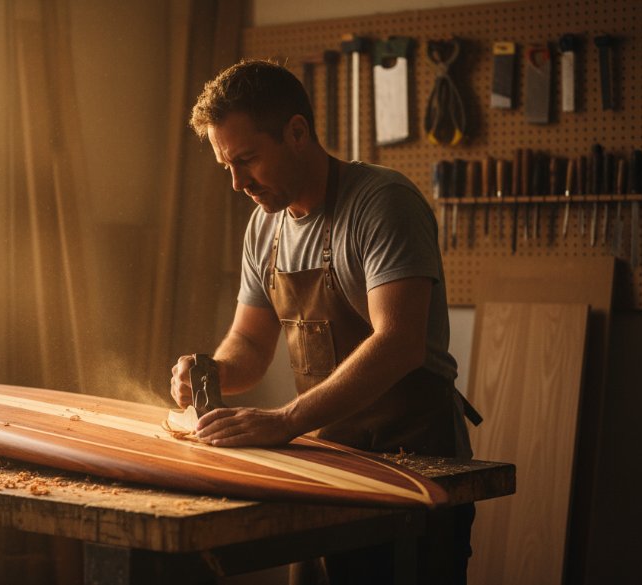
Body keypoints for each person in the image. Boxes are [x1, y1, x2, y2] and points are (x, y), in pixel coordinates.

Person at [169, 59, 481, 585]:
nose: (237, 182)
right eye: (227, 165)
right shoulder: (264, 226)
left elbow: (400, 342)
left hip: (412, 461)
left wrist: (286, 420)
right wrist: (215, 372)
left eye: (247, 160)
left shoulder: (382, 204)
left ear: (296, 132)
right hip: (328, 458)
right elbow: (248, 341)